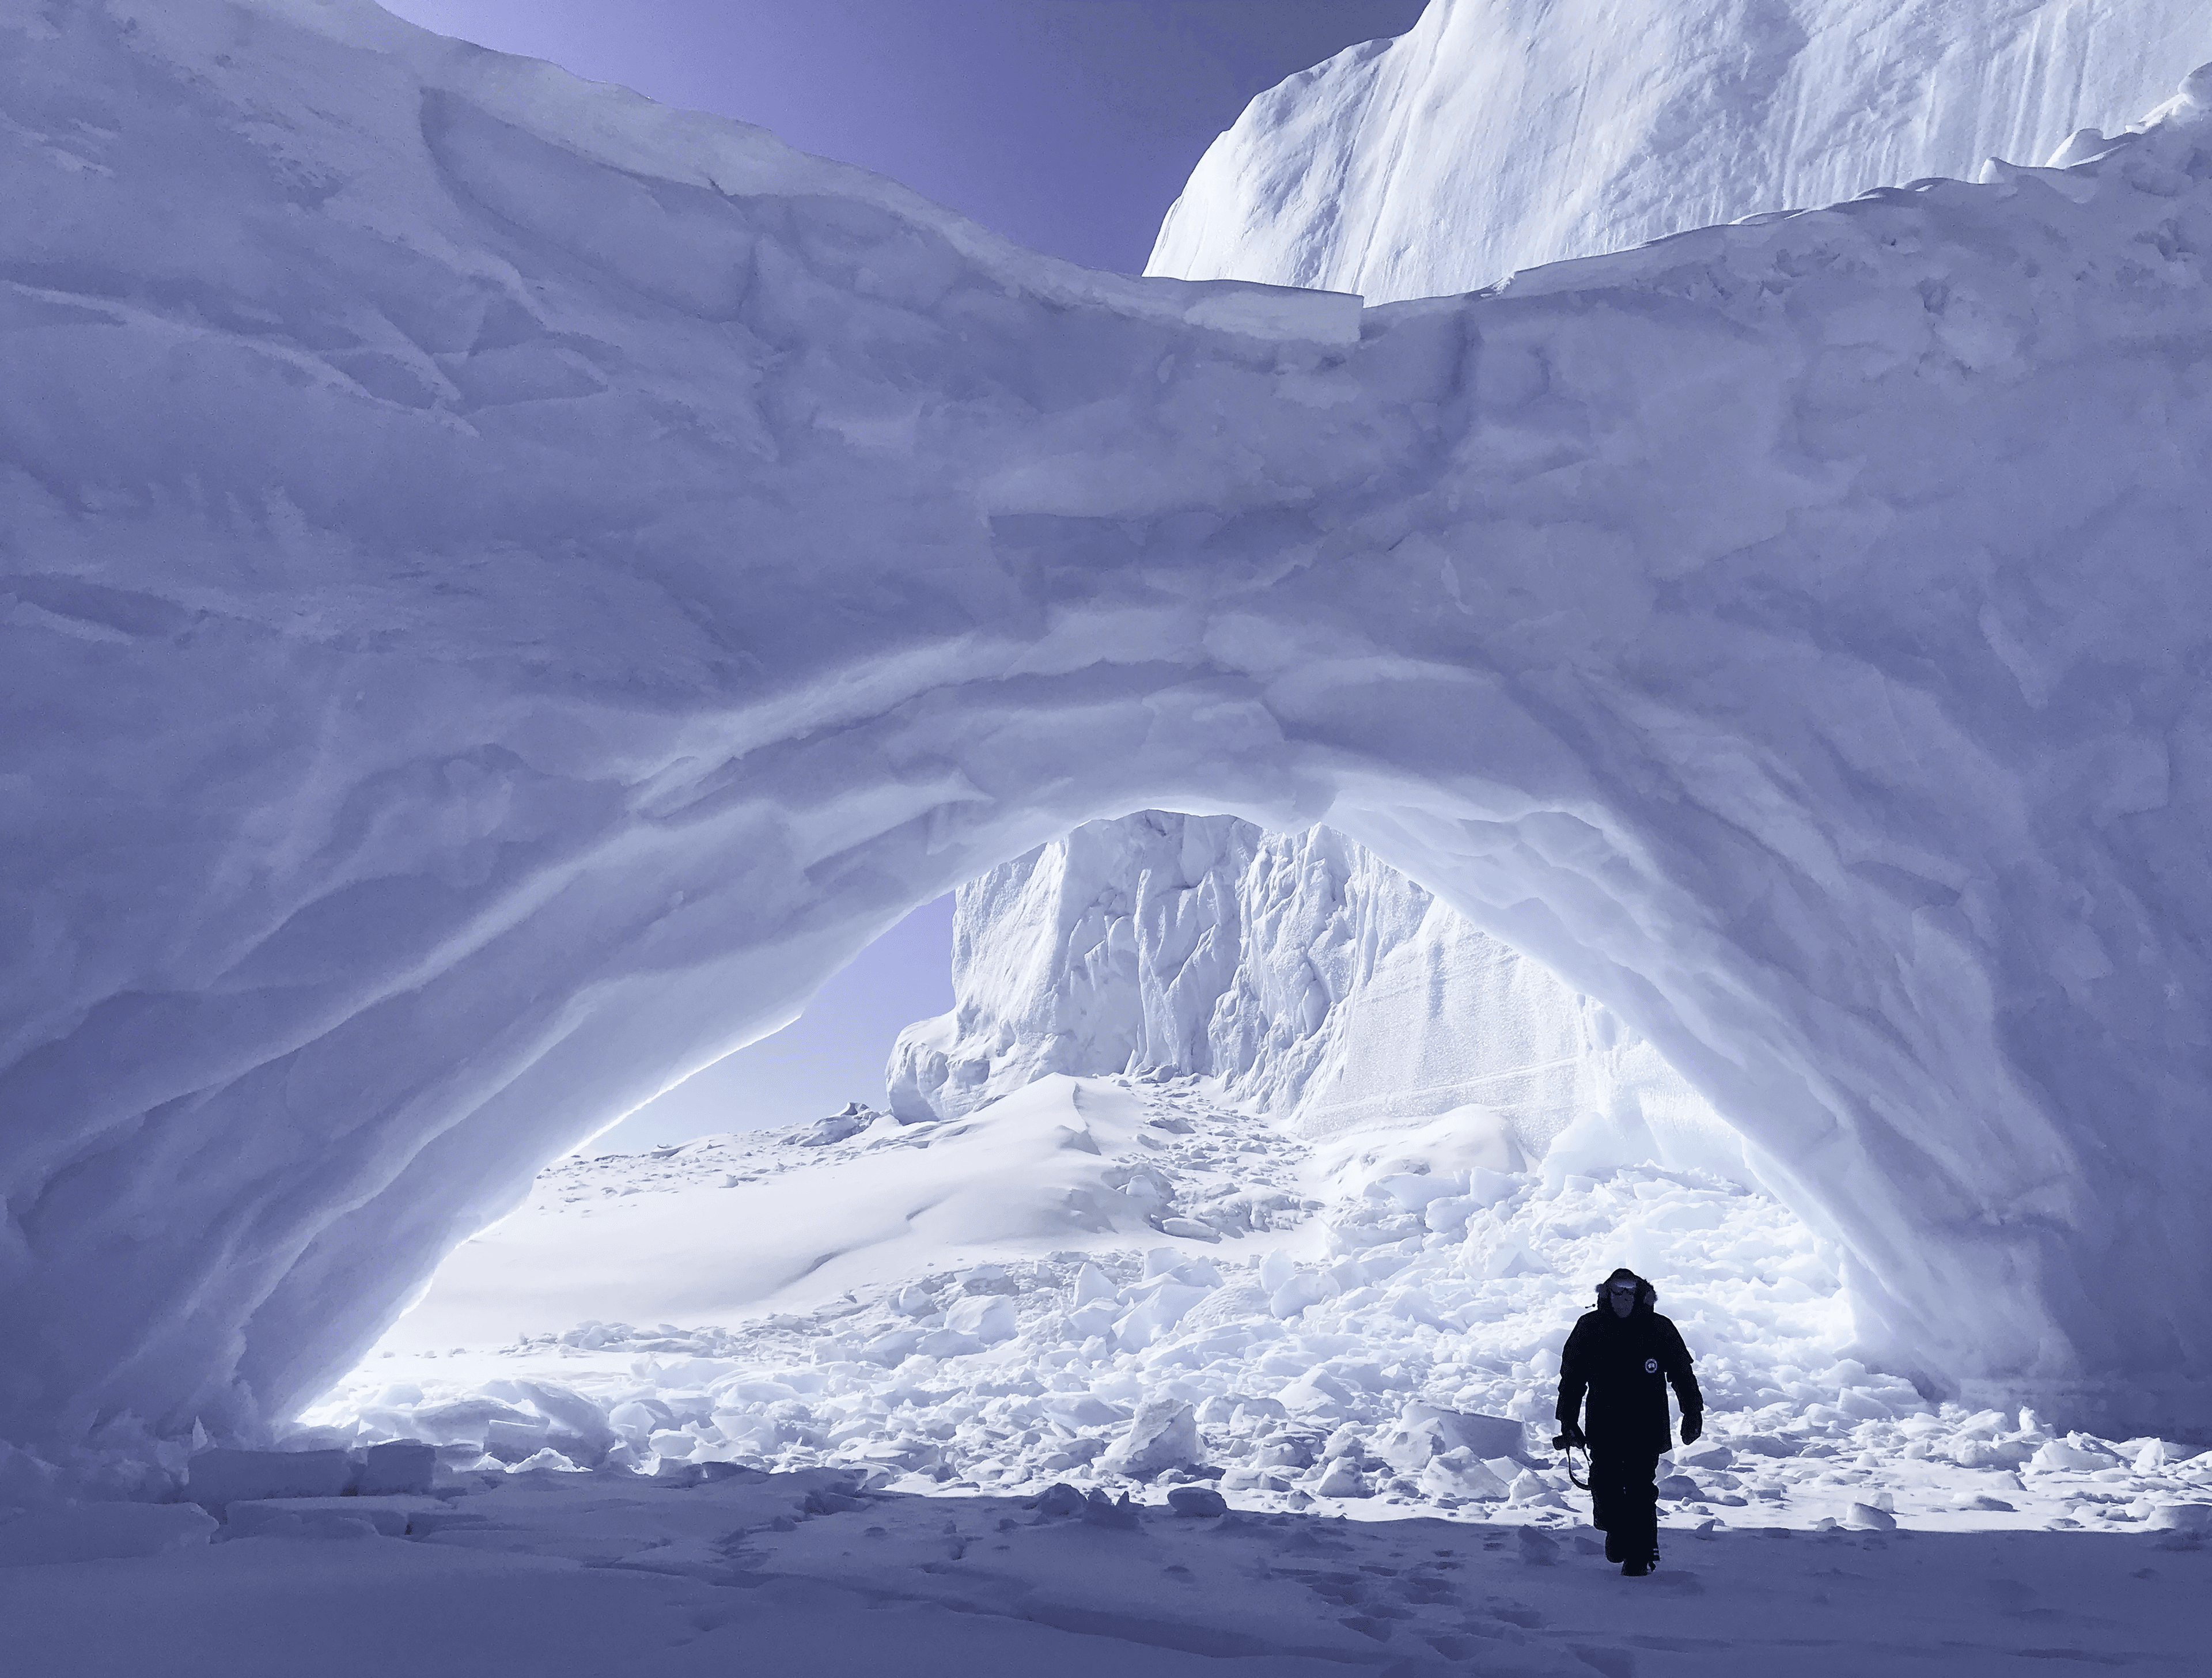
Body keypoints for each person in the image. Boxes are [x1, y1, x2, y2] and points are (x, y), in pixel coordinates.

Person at [1555, 1266, 1702, 1577]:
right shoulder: (1589, 1327)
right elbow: (1571, 1379)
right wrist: (1567, 1421)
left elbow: (1682, 1373)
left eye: (1629, 1292)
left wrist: (1692, 1411)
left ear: (1640, 1295)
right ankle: (1614, 1528)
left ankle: (1642, 1554)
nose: (1622, 1298)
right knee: (1605, 1486)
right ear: (1605, 1295)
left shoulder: (1659, 1328)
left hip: (1646, 1426)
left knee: (1639, 1488)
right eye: (1615, 1292)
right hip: (1604, 1427)